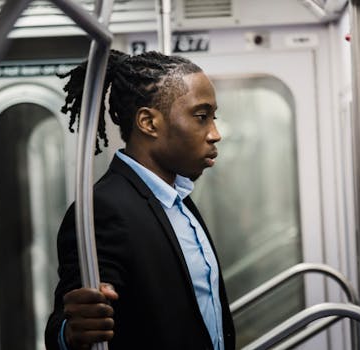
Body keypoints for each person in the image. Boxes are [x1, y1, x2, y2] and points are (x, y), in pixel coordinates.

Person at [45, 50, 235, 350]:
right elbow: (75, 316)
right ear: (148, 122)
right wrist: (72, 332)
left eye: (214, 117)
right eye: (201, 117)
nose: (214, 133)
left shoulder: (180, 202)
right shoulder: (105, 209)